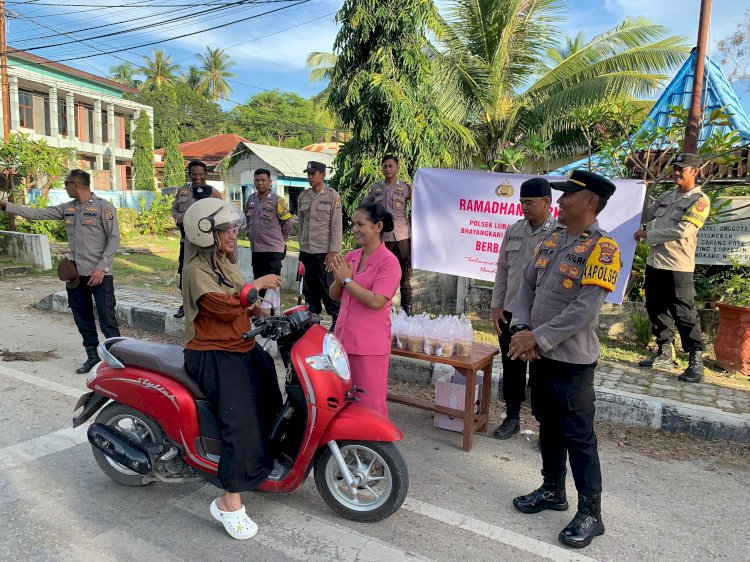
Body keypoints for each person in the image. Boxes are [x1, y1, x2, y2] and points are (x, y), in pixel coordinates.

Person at [508, 170, 621, 549]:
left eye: (568, 196)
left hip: (572, 361)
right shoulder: (554, 237)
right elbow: (526, 283)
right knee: (548, 425)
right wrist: (522, 327)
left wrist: (535, 337)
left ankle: (592, 512)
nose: (559, 202)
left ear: (590, 202)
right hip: (538, 354)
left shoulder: (603, 248)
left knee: (579, 436)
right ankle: (553, 490)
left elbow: (584, 309)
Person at [181, 197, 283, 540]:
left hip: (240, 346)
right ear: (205, 233)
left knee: (270, 393)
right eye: (227, 229)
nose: (233, 234)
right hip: (213, 354)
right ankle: (229, 501)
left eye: (234, 227)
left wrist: (266, 315)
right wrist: (259, 286)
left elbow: (244, 302)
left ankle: (260, 464)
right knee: (239, 421)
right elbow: (223, 307)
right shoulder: (195, 270)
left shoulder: (225, 263)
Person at [0, 169, 120, 374]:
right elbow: (37, 214)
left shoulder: (103, 207)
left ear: (76, 184)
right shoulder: (68, 209)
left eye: (66, 184)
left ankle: (116, 358)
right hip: (76, 275)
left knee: (107, 318)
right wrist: (5, 206)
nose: (64, 188)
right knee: (82, 317)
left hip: (99, 275)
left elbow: (114, 238)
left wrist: (102, 268)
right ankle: (92, 356)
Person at [634, 153, 710, 383]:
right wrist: (641, 192)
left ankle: (696, 361)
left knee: (685, 312)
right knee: (655, 307)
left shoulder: (699, 200)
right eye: (675, 168)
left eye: (682, 169)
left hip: (678, 264)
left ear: (694, 172)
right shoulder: (667, 196)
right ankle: (664, 352)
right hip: (655, 261)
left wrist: (649, 235)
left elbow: (684, 231)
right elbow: (646, 215)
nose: (677, 172)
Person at [490, 177, 556, 439]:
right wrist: (496, 305)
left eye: (529, 203)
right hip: (510, 310)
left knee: (543, 370)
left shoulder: (559, 233)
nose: (524, 208)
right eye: (521, 203)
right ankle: (513, 416)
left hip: (542, 314)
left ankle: (546, 427)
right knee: (511, 365)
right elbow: (502, 270)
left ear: (546, 203)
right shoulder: (514, 231)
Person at [329, 203, 401, 416]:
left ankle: (376, 449)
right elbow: (335, 294)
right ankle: (348, 448)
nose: (355, 229)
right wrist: (339, 280)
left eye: (361, 224)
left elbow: (377, 301)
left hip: (369, 347)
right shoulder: (352, 256)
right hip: (343, 341)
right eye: (354, 224)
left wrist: (347, 280)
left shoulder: (389, 262)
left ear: (378, 226)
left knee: (370, 406)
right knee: (344, 402)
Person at [361, 155, 413, 314]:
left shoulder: (406, 188)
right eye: (385, 166)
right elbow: (364, 207)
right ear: (381, 169)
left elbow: (422, 204)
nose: (388, 169)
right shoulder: (376, 188)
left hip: (402, 236)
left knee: (405, 277)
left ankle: (407, 311)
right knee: (382, 275)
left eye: (391, 166)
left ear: (397, 168)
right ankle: (384, 310)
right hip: (382, 239)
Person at [171, 160, 222, 319]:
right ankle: (186, 304)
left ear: (205, 174)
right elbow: (174, 208)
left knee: (207, 272)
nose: (197, 177)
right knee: (185, 271)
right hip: (186, 241)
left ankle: (207, 304)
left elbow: (221, 212)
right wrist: (179, 217)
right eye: (194, 174)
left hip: (207, 242)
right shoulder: (182, 191)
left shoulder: (214, 192)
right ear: (189, 174)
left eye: (200, 174)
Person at [297, 161, 342, 329]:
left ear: (322, 175)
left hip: (324, 252)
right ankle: (313, 320)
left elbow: (336, 225)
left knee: (327, 287)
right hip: (306, 251)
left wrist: (333, 251)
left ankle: (336, 320)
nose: (310, 176)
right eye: (308, 173)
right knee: (309, 287)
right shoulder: (303, 196)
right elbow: (301, 224)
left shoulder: (332, 196)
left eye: (313, 173)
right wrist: (301, 245)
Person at [243, 168, 292, 315]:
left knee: (272, 283)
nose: (260, 183)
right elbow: (248, 219)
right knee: (260, 282)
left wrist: (280, 241)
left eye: (263, 180)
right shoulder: (251, 199)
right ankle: (263, 314)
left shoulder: (278, 200)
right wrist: (248, 233)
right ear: (254, 182)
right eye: (257, 180)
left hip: (273, 250)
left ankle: (272, 314)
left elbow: (287, 223)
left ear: (270, 182)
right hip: (257, 249)